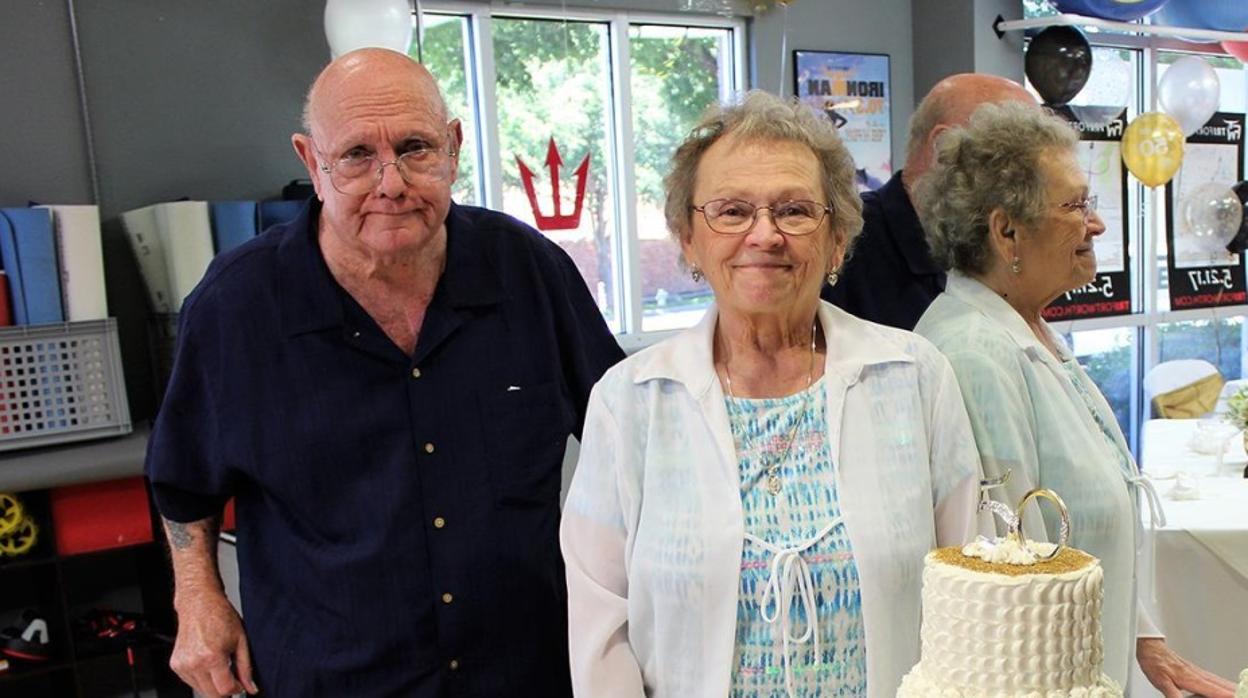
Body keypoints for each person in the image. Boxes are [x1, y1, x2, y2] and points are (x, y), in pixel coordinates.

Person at [145, 48, 623, 698]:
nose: (390, 182)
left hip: (523, 669)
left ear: (452, 149)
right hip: (333, 676)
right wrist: (196, 600)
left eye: (414, 147)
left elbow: (628, 440)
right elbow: (183, 483)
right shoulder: (238, 309)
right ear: (311, 163)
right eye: (356, 157)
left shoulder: (529, 274)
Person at [560, 90, 984, 698]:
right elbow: (602, 629)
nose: (765, 235)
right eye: (731, 211)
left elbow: (964, 589)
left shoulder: (913, 375)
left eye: (794, 211)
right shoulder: (631, 401)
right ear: (688, 239)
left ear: (837, 239)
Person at [913, 101, 1236, 698]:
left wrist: (1147, 645)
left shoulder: (1028, 329)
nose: (1097, 224)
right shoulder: (975, 354)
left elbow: (1076, 538)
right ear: (1005, 230)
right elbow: (1014, 587)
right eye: (1075, 205)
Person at [823, 73, 1036, 330]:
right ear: (943, 146)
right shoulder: (845, 244)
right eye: (1016, 153)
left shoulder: (995, 245)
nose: (1033, 174)